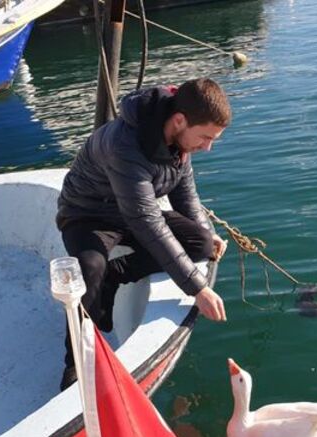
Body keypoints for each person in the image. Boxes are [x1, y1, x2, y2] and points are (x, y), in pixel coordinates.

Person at [55, 78, 230, 390]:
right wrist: (197, 288)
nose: (208, 147)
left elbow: (185, 194)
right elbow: (147, 222)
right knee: (89, 268)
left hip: (131, 211)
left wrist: (205, 230)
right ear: (179, 121)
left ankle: (116, 275)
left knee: (200, 244)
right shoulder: (125, 146)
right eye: (205, 137)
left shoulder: (178, 139)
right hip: (88, 214)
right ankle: (76, 363)